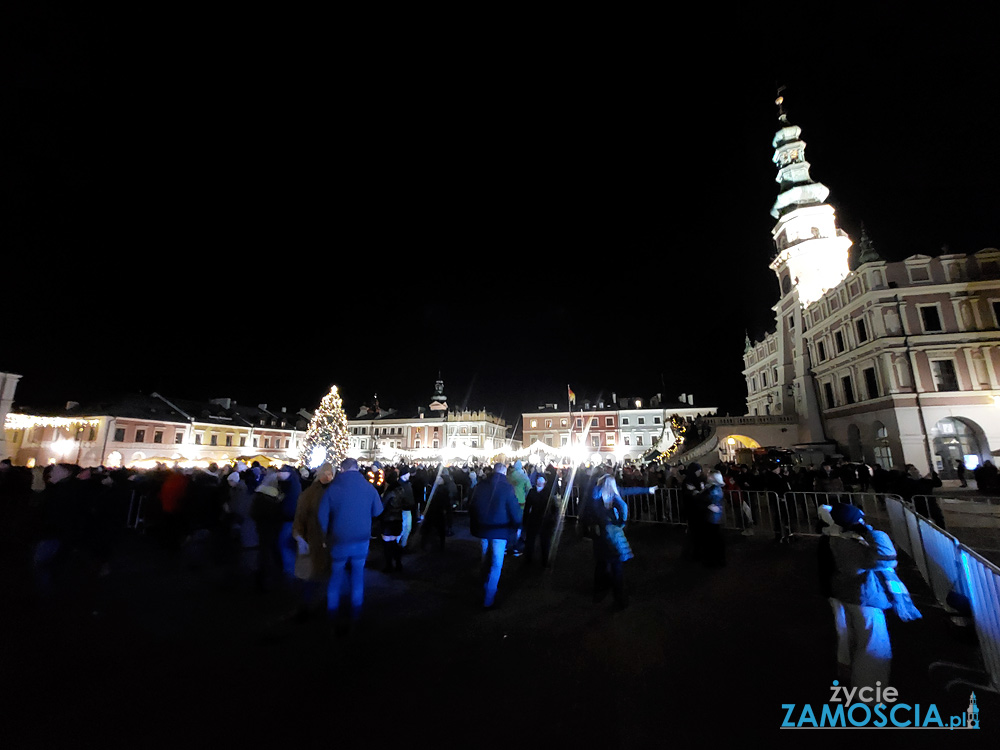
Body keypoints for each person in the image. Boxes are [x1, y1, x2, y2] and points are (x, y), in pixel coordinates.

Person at [827, 502, 921, 688]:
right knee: (874, 649)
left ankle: (859, 686)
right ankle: (870, 695)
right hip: (865, 598)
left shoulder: (838, 539)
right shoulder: (853, 544)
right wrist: (874, 532)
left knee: (860, 643)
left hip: (851, 596)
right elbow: (887, 559)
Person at [317, 457, 384, 635]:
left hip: (339, 539)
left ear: (342, 469)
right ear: (357, 469)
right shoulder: (368, 487)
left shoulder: (333, 488)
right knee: (357, 577)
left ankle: (332, 616)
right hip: (361, 539)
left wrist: (324, 536)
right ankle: (355, 616)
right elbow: (378, 510)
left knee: (336, 576)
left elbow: (322, 515)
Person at [468, 462, 522, 609]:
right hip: (500, 530)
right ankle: (489, 597)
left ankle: (483, 586)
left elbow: (472, 505)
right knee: (496, 564)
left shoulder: (481, 486)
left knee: (485, 559)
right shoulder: (506, 488)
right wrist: (518, 524)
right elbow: (514, 510)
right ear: (504, 472)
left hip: (484, 529)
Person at [582, 474, 640, 609]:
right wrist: (621, 523)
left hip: (601, 536)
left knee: (602, 564)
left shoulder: (596, 498)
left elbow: (589, 513)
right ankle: (619, 599)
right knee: (616, 567)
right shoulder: (613, 499)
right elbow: (623, 507)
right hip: (612, 536)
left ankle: (599, 591)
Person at [290, 462, 335, 620]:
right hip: (319, 539)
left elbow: (300, 518)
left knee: (311, 576)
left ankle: (308, 607)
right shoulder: (326, 492)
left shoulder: (311, 493)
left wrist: (299, 535)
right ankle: (318, 607)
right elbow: (301, 517)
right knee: (315, 576)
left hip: (317, 539)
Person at [522, 474, 556, 567]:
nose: (540, 482)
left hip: (545, 521)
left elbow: (554, 508)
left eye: (542, 480)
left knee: (544, 541)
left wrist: (553, 519)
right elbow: (527, 507)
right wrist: (525, 520)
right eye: (539, 480)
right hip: (534, 519)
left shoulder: (547, 492)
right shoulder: (532, 491)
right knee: (531, 540)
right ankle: (529, 559)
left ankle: (544, 560)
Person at [699, 470, 726, 567]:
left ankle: (715, 559)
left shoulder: (713, 489)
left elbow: (704, 499)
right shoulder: (715, 488)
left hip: (712, 517)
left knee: (713, 538)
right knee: (715, 538)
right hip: (714, 516)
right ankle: (717, 558)